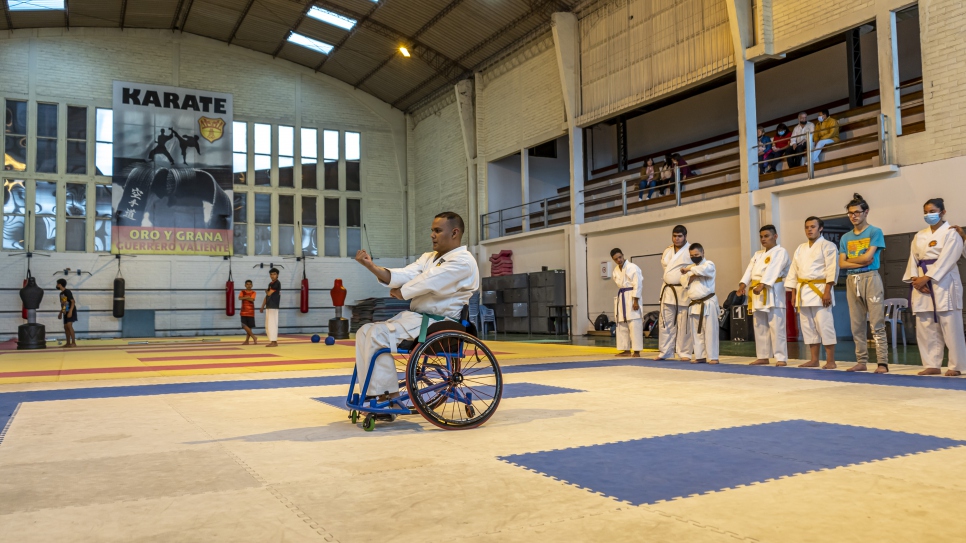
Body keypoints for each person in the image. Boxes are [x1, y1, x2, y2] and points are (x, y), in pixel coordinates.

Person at [354, 212, 479, 404]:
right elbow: (405, 274)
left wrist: (401, 292)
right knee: (364, 331)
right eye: (432, 231)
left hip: (440, 323)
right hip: (417, 320)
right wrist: (371, 266)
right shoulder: (429, 258)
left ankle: (388, 396)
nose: (432, 235)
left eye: (437, 231)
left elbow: (428, 281)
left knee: (378, 334)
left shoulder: (463, 261)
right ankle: (373, 392)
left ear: (455, 233)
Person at [902, 198, 965, 377]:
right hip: (921, 281)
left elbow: (948, 258)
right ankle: (932, 364)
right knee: (925, 323)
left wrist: (927, 278)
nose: (929, 215)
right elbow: (912, 259)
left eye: (932, 211)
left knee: (950, 323)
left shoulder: (952, 233)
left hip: (943, 280)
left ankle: (956, 365)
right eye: (926, 212)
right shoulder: (919, 235)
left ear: (943, 212)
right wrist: (916, 279)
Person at [839, 193, 889, 373]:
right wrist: (860, 260)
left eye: (857, 212)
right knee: (856, 324)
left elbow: (869, 259)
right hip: (852, 279)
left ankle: (882, 362)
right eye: (850, 213)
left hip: (870, 277)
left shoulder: (875, 232)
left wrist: (856, 260)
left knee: (876, 322)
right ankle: (861, 360)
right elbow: (842, 264)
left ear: (866, 212)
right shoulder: (845, 238)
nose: (853, 216)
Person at [785, 217, 838, 369]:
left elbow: (831, 270)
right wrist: (794, 294)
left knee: (824, 324)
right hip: (803, 291)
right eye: (807, 227)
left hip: (820, 290)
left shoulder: (828, 246)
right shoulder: (800, 248)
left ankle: (831, 361)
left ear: (820, 228)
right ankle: (814, 360)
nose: (809, 229)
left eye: (813, 227)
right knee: (807, 327)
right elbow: (794, 271)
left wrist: (827, 291)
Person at [737, 225, 791, 366]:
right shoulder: (758, 254)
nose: (763, 239)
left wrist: (763, 284)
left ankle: (781, 357)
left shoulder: (780, 252)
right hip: (757, 291)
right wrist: (743, 284)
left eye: (766, 236)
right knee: (759, 324)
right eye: (761, 236)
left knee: (776, 325)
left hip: (773, 291)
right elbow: (750, 270)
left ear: (775, 236)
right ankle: (763, 356)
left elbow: (774, 269)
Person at [657, 225, 693, 360]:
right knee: (665, 322)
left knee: (684, 323)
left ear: (685, 236)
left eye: (679, 236)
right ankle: (665, 352)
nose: (676, 239)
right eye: (674, 236)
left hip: (683, 290)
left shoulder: (690, 250)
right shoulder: (667, 251)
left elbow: (695, 268)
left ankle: (684, 353)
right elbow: (667, 270)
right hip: (668, 290)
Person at [680, 243, 719, 364]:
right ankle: (700, 356)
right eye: (692, 255)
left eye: (696, 254)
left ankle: (713, 357)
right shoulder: (690, 267)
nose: (694, 257)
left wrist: (690, 271)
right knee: (696, 332)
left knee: (710, 331)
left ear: (703, 252)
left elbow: (704, 270)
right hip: (694, 303)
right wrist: (692, 272)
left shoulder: (709, 264)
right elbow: (683, 281)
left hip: (708, 302)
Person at [611, 248, 643, 357]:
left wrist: (635, 301)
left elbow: (638, 284)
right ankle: (625, 349)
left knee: (634, 324)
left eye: (620, 257)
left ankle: (637, 350)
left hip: (631, 295)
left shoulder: (633, 267)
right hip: (622, 297)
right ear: (613, 259)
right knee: (621, 324)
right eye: (616, 259)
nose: (619, 260)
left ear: (623, 255)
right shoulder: (615, 270)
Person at [259, 268, 281, 348]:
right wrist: (262, 306)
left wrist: (267, 291)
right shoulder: (271, 284)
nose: (272, 276)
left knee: (272, 324)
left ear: (277, 275)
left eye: (274, 274)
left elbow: (268, 293)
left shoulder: (277, 283)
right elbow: (267, 296)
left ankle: (274, 341)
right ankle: (272, 340)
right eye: (271, 274)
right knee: (268, 324)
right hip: (269, 306)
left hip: (273, 306)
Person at [55, 278, 77, 348]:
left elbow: (73, 301)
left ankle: (73, 342)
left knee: (69, 325)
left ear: (60, 284)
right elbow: (64, 304)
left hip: (71, 310)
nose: (56, 285)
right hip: (65, 311)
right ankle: (68, 343)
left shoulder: (67, 292)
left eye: (57, 284)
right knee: (65, 327)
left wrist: (70, 311)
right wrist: (61, 312)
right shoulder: (61, 293)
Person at [239, 279, 257, 345]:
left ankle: (247, 341)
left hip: (251, 312)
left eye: (250, 284)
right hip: (243, 311)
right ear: (245, 285)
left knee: (249, 327)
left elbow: (252, 299)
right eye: (247, 284)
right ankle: (254, 337)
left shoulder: (253, 292)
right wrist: (248, 297)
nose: (249, 285)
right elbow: (239, 298)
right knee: (244, 325)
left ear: (252, 285)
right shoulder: (242, 292)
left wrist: (244, 297)